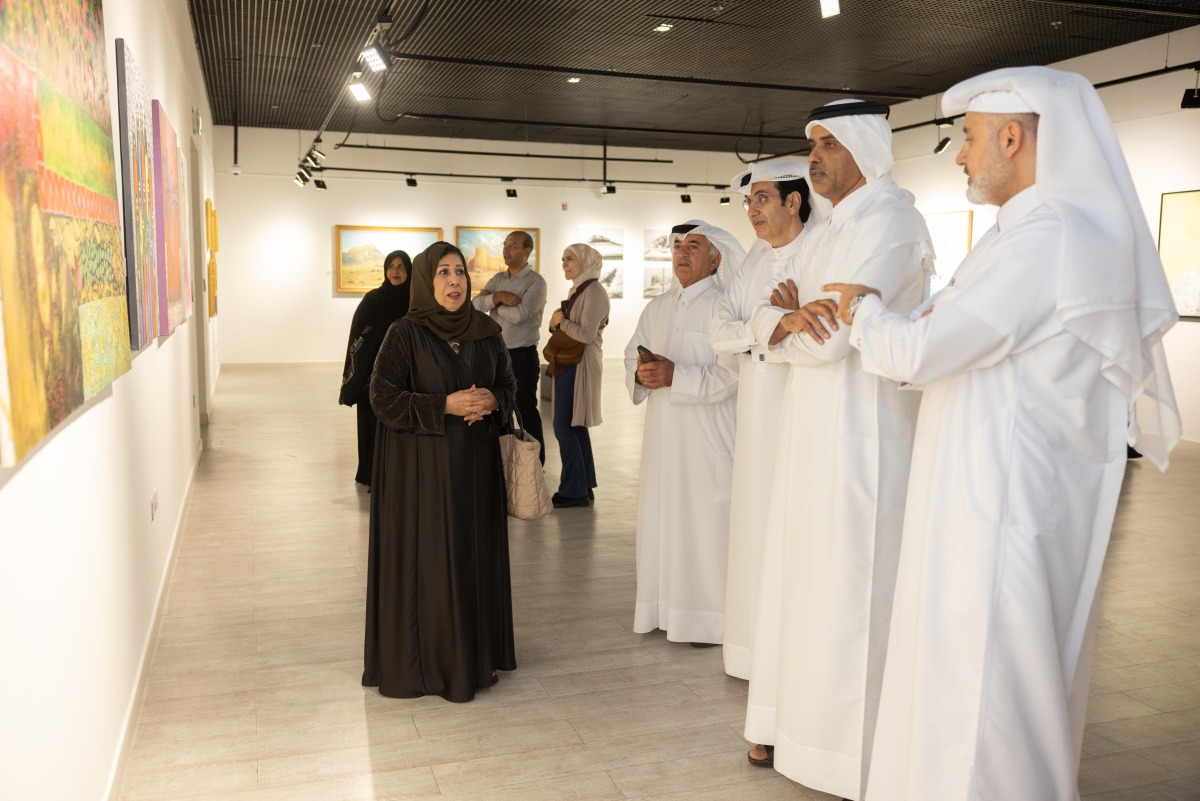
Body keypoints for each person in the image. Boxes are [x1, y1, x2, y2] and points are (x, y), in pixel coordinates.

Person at [818, 67, 1180, 800]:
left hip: (1000, 509)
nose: (958, 155)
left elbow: (922, 348)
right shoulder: (1030, 236)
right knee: (972, 683)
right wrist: (898, 326)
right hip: (985, 497)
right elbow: (940, 335)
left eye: (969, 137)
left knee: (988, 697)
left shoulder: (1046, 240)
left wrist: (859, 312)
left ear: (1013, 138)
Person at [742, 99, 933, 795]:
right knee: (802, 579)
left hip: (863, 438)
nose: (814, 157)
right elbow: (776, 312)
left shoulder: (889, 222)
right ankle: (793, 727)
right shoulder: (831, 229)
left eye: (827, 143)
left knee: (851, 587)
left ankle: (844, 752)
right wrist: (786, 319)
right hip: (810, 433)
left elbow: (830, 339)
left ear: (863, 147)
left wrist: (789, 325)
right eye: (811, 144)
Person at [363, 241, 518, 703]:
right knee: (430, 561)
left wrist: (494, 400)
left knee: (473, 556)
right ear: (427, 282)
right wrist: (441, 405)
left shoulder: (487, 331)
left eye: (460, 273)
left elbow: (510, 385)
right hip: (421, 476)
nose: (454, 281)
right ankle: (427, 661)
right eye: (444, 273)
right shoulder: (404, 333)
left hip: (474, 472)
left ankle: (476, 653)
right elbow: (381, 397)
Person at [712, 159, 814, 682]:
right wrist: (773, 323)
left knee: (795, 523)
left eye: (762, 199)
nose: (751, 210)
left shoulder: (821, 249)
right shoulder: (754, 258)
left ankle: (791, 657)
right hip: (755, 404)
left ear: (794, 201)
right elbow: (718, 332)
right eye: (747, 201)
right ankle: (751, 652)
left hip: (802, 405)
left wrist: (771, 330)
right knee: (753, 521)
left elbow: (820, 332)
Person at [625, 221, 744, 646]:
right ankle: (663, 610)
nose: (682, 253)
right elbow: (629, 354)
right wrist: (641, 372)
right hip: (662, 440)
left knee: (705, 524)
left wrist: (679, 375)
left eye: (694, 246)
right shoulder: (656, 307)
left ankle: (708, 621)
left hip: (707, 439)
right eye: (678, 246)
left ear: (716, 258)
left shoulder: (725, 307)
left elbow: (735, 374)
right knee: (663, 519)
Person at [473, 230, 548, 463]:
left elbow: (521, 314)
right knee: (498, 410)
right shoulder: (498, 281)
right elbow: (475, 307)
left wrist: (494, 304)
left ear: (527, 251)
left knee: (525, 410)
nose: (506, 250)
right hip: (495, 356)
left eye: (513, 245)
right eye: (505, 245)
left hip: (521, 356)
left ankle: (534, 463)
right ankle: (505, 461)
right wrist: (498, 297)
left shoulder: (536, 282)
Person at [339, 250, 412, 487]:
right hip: (372, 377)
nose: (395, 271)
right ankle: (370, 473)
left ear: (409, 271)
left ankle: (394, 474)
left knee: (398, 425)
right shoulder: (373, 299)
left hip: (404, 377)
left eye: (401, 267)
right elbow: (357, 338)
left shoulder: (414, 300)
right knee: (370, 425)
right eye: (391, 266)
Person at [546, 243, 610, 508]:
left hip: (580, 364)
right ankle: (583, 484)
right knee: (574, 425)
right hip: (573, 362)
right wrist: (556, 324)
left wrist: (560, 322)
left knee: (563, 426)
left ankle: (574, 491)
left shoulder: (594, 291)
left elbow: (585, 334)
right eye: (563, 259)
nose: (564, 264)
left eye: (570, 259)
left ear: (585, 261)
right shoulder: (580, 289)